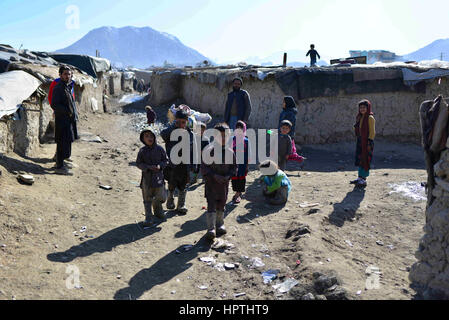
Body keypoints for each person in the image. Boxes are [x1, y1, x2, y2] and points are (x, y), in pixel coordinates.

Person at [201, 123, 236, 240]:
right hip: (211, 184)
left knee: (222, 203)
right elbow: (204, 167)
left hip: (224, 185)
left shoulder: (230, 152)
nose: (223, 138)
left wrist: (228, 176)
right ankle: (210, 228)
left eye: (225, 136)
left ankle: (220, 224)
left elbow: (234, 167)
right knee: (211, 204)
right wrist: (214, 175)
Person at [161, 109, 195, 215]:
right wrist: (173, 127)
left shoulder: (190, 134)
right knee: (172, 182)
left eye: (183, 122)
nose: (181, 124)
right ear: (175, 121)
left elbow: (194, 150)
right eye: (178, 122)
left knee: (183, 185)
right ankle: (170, 199)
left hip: (185, 165)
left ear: (187, 122)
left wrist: (194, 165)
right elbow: (163, 134)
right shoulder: (170, 131)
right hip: (172, 164)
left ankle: (181, 204)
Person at [136, 128, 169, 227]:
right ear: (143, 139)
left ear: (154, 137)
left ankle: (158, 212)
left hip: (158, 178)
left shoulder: (159, 149)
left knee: (161, 197)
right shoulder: (142, 151)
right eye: (146, 136)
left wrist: (160, 166)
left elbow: (166, 160)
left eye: (151, 136)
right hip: (147, 179)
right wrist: (147, 167)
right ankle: (148, 218)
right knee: (147, 199)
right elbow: (138, 163)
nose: (149, 138)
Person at [50, 65, 76, 175]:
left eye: (69, 74)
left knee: (67, 140)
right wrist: (66, 111)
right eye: (65, 74)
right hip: (62, 119)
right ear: (60, 75)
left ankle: (61, 163)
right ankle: (59, 166)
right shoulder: (58, 88)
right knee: (61, 141)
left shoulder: (67, 86)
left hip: (68, 119)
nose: (67, 76)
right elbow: (54, 104)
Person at [351, 99, 376, 187]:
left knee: (365, 160)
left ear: (368, 108)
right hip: (361, 140)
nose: (362, 109)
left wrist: (369, 142)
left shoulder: (370, 118)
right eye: (360, 107)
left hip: (367, 142)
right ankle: (359, 178)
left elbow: (372, 132)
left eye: (364, 107)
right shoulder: (360, 117)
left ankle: (363, 179)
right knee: (360, 159)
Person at [231, 120, 250, 204]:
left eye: (241, 128)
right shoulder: (232, 139)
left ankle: (238, 194)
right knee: (234, 178)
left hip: (243, 164)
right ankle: (236, 192)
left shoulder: (246, 141)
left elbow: (249, 154)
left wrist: (247, 165)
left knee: (241, 178)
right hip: (233, 163)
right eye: (237, 128)